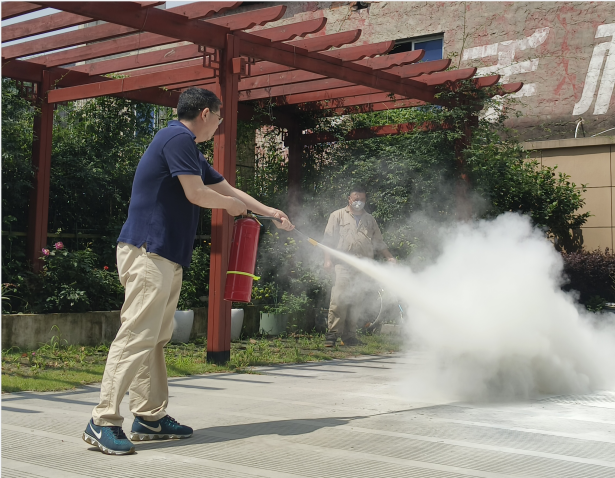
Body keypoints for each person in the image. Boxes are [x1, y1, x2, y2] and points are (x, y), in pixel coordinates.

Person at [83, 87, 294, 455]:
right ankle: (102, 420)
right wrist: (228, 206)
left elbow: (227, 188)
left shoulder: (189, 149)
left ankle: (149, 416)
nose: (219, 126)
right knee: (137, 334)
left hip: (165, 255)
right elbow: (197, 194)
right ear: (205, 114)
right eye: (219, 118)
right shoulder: (176, 138)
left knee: (154, 337)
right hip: (148, 250)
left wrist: (269, 212)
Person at [322, 185, 396, 347]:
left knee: (356, 301)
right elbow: (328, 241)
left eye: (362, 199)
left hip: (363, 266)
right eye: (356, 199)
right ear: (349, 199)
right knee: (339, 299)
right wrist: (327, 260)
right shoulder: (337, 216)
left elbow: (378, 242)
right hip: (342, 265)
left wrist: (389, 257)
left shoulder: (370, 220)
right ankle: (332, 335)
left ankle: (349, 336)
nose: (359, 202)